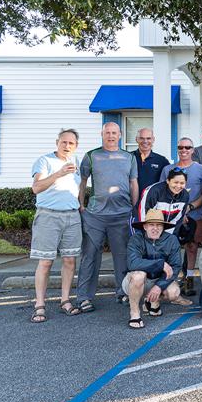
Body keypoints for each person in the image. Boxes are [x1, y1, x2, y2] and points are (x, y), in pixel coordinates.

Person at [76, 122, 139, 312]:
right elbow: (82, 182)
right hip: (95, 215)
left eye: (114, 132)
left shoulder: (129, 158)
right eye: (107, 133)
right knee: (89, 256)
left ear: (120, 135)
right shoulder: (91, 156)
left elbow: (133, 183)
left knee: (121, 256)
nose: (110, 136)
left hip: (121, 215)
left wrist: (133, 208)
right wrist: (81, 205)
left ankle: (123, 292)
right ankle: (84, 297)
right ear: (101, 134)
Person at [29, 129, 83, 322]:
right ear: (57, 142)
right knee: (45, 262)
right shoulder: (45, 161)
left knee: (69, 260)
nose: (67, 146)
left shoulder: (76, 162)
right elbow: (36, 187)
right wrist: (59, 173)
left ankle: (65, 300)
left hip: (71, 216)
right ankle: (40, 305)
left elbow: (80, 186)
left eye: (71, 143)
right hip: (48, 217)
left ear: (76, 145)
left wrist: (81, 204)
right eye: (64, 142)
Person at [123, 209, 188, 329]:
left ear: (163, 227)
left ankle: (154, 302)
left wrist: (159, 286)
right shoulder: (136, 239)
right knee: (139, 275)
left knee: (174, 292)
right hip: (136, 281)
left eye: (159, 225)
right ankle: (135, 313)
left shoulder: (172, 240)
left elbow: (175, 266)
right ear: (145, 226)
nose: (155, 228)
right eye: (151, 225)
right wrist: (160, 264)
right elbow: (133, 263)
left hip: (159, 279)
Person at [160, 138, 202, 296]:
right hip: (171, 215)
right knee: (169, 248)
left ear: (193, 150)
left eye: (188, 147)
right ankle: (170, 280)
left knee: (192, 247)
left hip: (195, 214)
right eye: (180, 147)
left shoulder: (201, 169)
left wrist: (190, 207)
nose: (184, 150)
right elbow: (162, 193)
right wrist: (179, 212)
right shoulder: (168, 169)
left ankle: (189, 279)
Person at [132, 167, 190, 234]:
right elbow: (142, 215)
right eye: (175, 182)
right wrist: (147, 236)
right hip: (140, 222)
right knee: (141, 242)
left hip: (162, 226)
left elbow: (177, 220)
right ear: (168, 181)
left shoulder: (185, 195)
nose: (178, 186)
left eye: (182, 183)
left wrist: (170, 238)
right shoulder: (154, 191)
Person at [132, 128, 169, 195]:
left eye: (148, 138)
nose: (145, 141)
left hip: (152, 202)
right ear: (136, 139)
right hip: (130, 201)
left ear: (153, 139)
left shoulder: (162, 160)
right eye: (141, 138)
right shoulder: (129, 158)